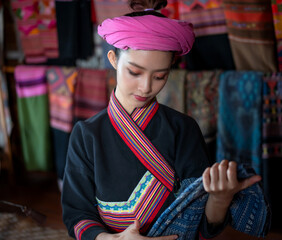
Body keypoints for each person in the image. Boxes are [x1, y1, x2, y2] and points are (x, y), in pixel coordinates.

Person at [61, 1, 263, 239]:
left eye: (160, 76)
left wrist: (219, 198)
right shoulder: (86, 134)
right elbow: (77, 214)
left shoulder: (183, 129)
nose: (146, 87)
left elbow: (203, 223)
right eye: (135, 72)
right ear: (113, 59)